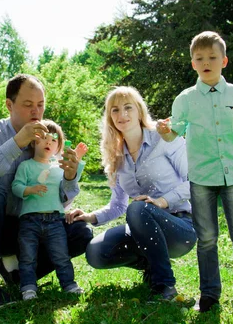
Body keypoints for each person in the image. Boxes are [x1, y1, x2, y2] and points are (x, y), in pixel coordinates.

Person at [0, 74, 92, 307]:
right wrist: (17, 142)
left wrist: (69, 177)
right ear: (10, 105)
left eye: (40, 105)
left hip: (23, 227)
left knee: (79, 233)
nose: (36, 112)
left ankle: (18, 274)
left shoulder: (45, 140)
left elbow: (56, 198)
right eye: (28, 105)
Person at [156, 31, 233, 314]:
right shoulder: (185, 99)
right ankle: (209, 296)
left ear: (224, 61)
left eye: (212, 57)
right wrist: (165, 130)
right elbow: (174, 134)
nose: (206, 62)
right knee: (206, 240)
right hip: (202, 178)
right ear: (193, 63)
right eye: (199, 58)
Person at [67, 86, 197, 300]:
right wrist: (90, 217)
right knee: (96, 253)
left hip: (180, 226)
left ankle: (164, 285)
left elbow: (194, 181)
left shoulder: (163, 138)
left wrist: (162, 202)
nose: (122, 114)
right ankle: (151, 264)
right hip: (141, 228)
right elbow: (118, 205)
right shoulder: (116, 155)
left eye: (128, 107)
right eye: (115, 110)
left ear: (139, 111)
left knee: (138, 208)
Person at [11, 120, 85, 300]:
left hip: (55, 220)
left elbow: (71, 181)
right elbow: (16, 186)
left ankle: (69, 284)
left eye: (54, 141)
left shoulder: (58, 168)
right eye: (44, 138)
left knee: (61, 255)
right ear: (34, 141)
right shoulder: (26, 166)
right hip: (29, 220)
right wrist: (30, 189)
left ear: (58, 146)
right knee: (27, 256)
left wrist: (77, 159)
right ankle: (28, 287)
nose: (48, 143)